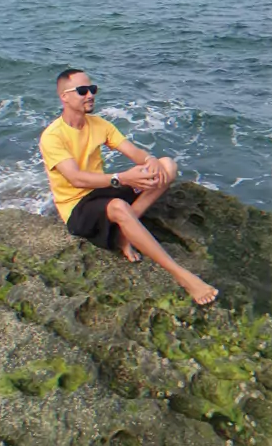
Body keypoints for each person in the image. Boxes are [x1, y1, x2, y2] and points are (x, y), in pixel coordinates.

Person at [39, 68, 219, 306]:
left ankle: (124, 233)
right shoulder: (53, 136)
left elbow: (134, 152)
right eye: (82, 91)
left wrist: (150, 160)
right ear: (64, 97)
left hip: (101, 191)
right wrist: (122, 178)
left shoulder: (98, 124)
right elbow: (76, 179)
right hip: (77, 208)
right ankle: (183, 276)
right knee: (118, 207)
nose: (90, 95)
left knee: (167, 166)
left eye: (92, 89)